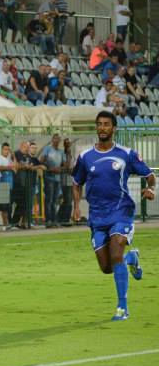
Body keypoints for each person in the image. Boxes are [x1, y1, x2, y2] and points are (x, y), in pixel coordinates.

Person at [72, 111, 155, 321]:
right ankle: (131, 258)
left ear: (114, 128)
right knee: (107, 267)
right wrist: (76, 206)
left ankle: (122, 307)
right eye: (99, 124)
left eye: (106, 124)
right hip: (97, 217)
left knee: (116, 250)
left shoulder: (126, 154)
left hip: (121, 212)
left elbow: (149, 175)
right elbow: (76, 183)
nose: (102, 128)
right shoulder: (85, 156)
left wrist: (150, 188)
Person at [39, 134, 64, 228]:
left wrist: (60, 169)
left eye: (58, 139)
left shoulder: (61, 152)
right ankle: (48, 220)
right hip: (49, 178)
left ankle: (54, 220)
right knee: (49, 199)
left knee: (55, 200)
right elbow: (41, 160)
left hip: (58, 178)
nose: (56, 141)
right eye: (55, 139)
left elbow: (64, 164)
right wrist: (50, 168)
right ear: (52, 140)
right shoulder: (47, 149)